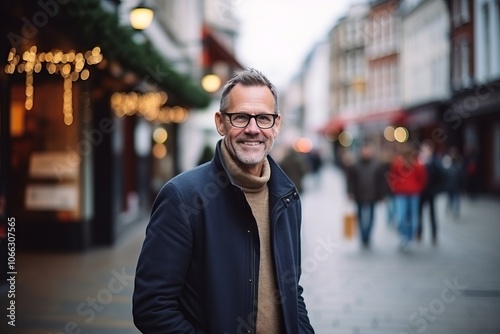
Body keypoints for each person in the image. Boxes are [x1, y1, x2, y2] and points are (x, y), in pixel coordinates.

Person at [133, 68, 315, 334]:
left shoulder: (287, 197)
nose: (253, 129)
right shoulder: (183, 197)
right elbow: (152, 306)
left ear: (276, 125)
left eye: (263, 118)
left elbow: (292, 290)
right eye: (240, 117)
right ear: (220, 122)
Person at [387, 142, 427, 252]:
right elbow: (392, 176)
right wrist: (395, 187)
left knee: (412, 218)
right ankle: (404, 237)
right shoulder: (397, 162)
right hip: (401, 193)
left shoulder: (417, 163)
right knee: (401, 217)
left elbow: (422, 178)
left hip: (414, 193)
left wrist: (418, 188)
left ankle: (409, 238)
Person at [346, 142, 383, 248]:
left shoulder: (376, 165)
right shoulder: (355, 165)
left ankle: (368, 235)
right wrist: (350, 193)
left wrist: (381, 195)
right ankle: (363, 235)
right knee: (360, 216)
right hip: (359, 195)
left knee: (371, 216)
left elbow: (380, 181)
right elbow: (350, 181)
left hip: (372, 195)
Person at [417, 142, 444, 245]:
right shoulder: (418, 161)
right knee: (419, 214)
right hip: (420, 192)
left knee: (432, 214)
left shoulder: (435, 161)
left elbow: (440, 175)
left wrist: (437, 189)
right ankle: (419, 232)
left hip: (431, 191)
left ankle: (434, 235)